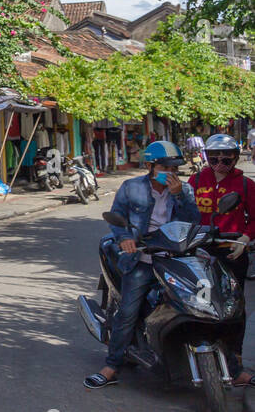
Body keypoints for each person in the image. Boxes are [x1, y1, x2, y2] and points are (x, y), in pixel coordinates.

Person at [84, 140, 201, 389]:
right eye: (164, 166)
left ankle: (229, 368)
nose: (170, 172)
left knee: (200, 303)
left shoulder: (185, 190)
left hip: (174, 259)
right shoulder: (131, 187)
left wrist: (179, 195)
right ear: (150, 165)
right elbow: (117, 219)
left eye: (174, 167)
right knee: (128, 311)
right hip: (143, 258)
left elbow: (193, 221)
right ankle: (112, 366)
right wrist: (125, 238)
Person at [189, 133, 255, 385]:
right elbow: (184, 214)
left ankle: (235, 362)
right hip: (201, 253)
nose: (219, 165)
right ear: (205, 157)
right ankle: (201, 356)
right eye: (213, 158)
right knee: (202, 304)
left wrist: (245, 239)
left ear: (235, 159)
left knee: (233, 308)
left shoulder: (246, 185)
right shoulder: (195, 180)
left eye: (225, 160)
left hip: (232, 252)